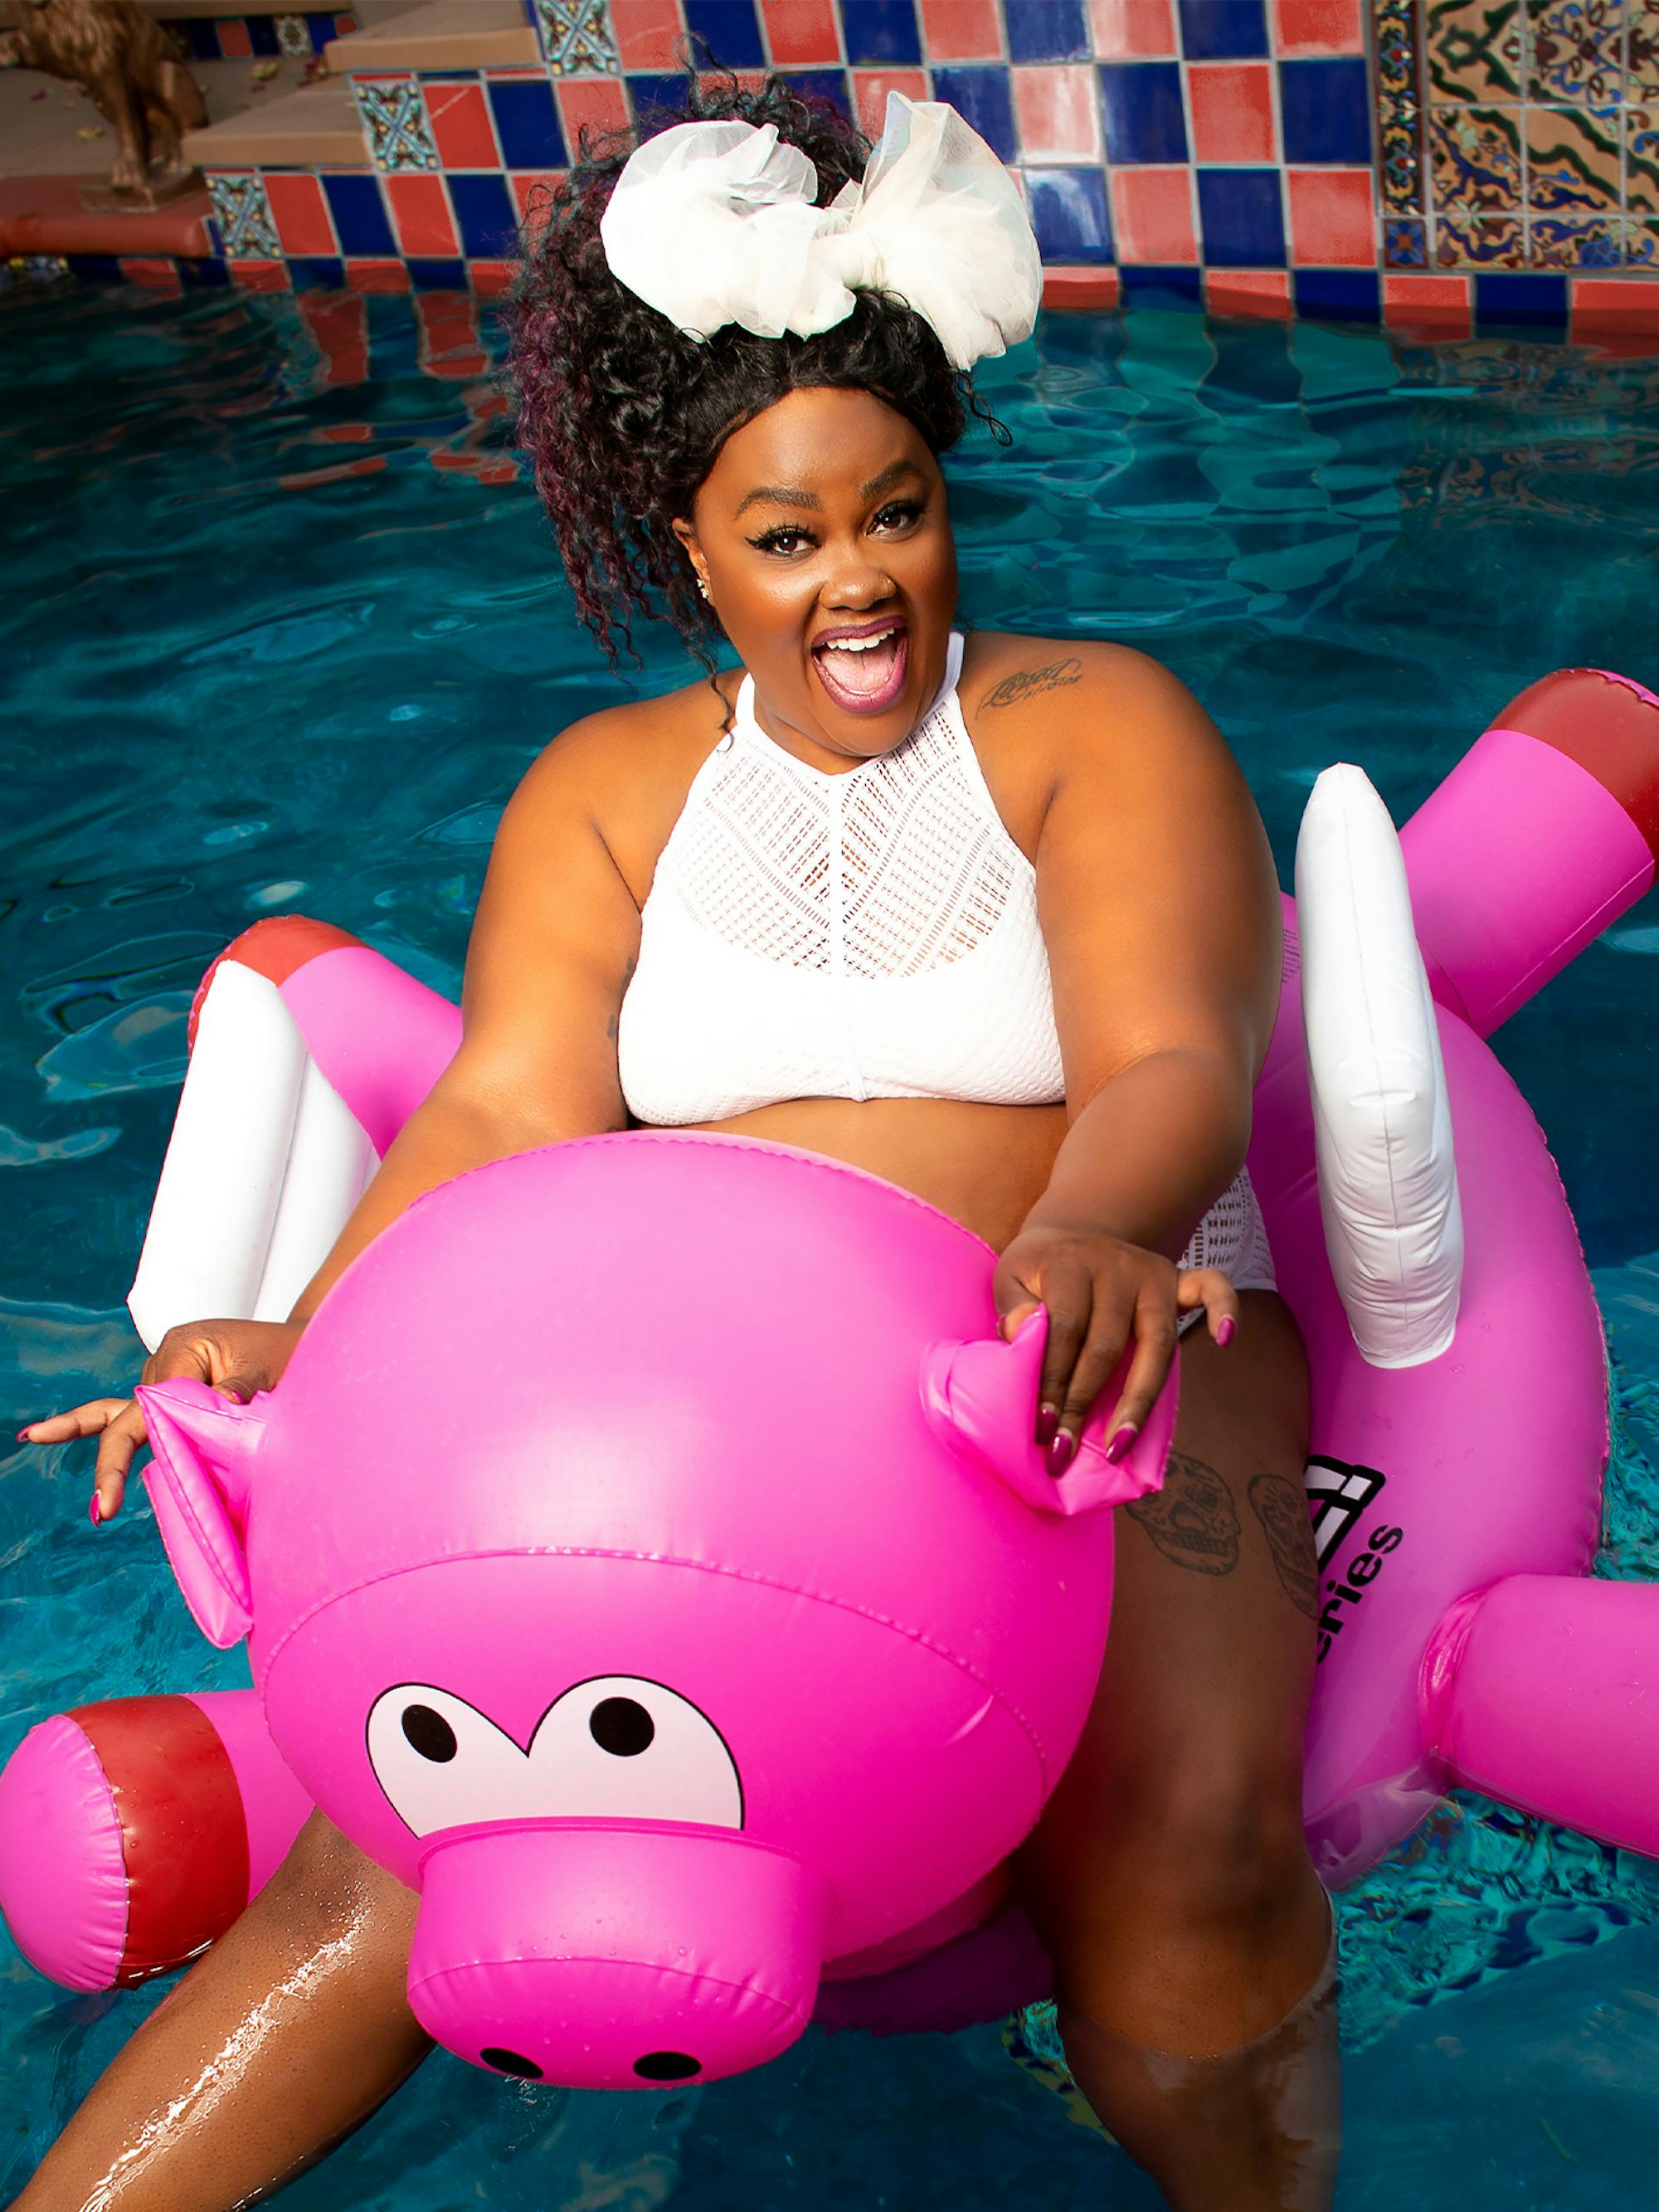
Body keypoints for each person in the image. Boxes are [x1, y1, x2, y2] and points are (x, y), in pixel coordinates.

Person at [13, 77, 1336, 2212]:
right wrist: (314, 1342)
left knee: (1182, 1854)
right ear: (688, 540)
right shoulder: (611, 790)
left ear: (942, 491)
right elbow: (503, 1107)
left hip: (1089, 1353)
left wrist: (1094, 1225)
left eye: (894, 513)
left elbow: (1172, 1057)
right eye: (787, 537)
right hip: (715, 1436)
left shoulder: (1093, 725)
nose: (857, 591)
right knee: (384, 1869)